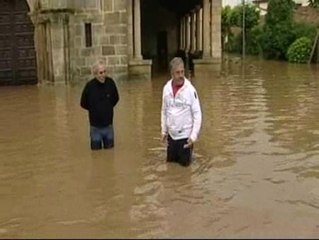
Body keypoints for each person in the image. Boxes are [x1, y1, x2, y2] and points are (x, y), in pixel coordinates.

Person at [161, 57, 202, 167]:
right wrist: (164, 131)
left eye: (182, 71)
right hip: (171, 137)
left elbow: (197, 114)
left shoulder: (190, 90)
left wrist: (193, 137)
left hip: (185, 138)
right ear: (172, 74)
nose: (181, 75)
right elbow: (164, 111)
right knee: (170, 168)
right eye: (177, 72)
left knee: (185, 173)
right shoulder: (166, 89)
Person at [80, 61, 119, 150]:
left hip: (108, 126)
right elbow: (83, 103)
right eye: (100, 73)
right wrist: (94, 110)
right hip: (95, 128)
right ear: (95, 74)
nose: (103, 75)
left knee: (109, 154)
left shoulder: (110, 83)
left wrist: (107, 107)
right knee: (96, 155)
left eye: (105, 72)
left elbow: (116, 98)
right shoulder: (89, 86)